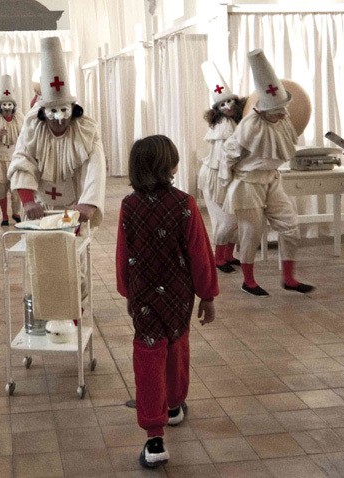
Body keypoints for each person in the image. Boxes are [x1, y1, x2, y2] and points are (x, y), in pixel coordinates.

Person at [116, 135, 219, 468]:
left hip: (144, 295)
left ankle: (154, 438)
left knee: (148, 356)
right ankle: (174, 406)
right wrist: (207, 294)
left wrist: (127, 291)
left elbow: (123, 253)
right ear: (170, 166)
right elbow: (200, 254)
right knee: (177, 345)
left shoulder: (129, 205)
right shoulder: (185, 204)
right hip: (178, 294)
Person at [222, 49, 314, 297]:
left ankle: (289, 278)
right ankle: (248, 281)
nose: (284, 113)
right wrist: (227, 183)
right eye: (277, 109)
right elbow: (229, 155)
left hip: (272, 180)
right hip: (248, 183)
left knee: (290, 225)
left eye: (284, 108)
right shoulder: (249, 126)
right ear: (262, 108)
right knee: (251, 233)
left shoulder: (283, 120)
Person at [8, 37, 106, 227]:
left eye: (64, 110)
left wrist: (88, 203)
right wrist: (27, 200)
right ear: (43, 112)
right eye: (52, 111)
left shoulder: (86, 131)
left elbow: (96, 167)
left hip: (75, 205)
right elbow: (22, 160)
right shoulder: (32, 129)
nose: (59, 119)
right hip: (40, 206)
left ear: (73, 110)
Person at [198, 61, 246, 274]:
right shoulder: (222, 127)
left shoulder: (234, 124)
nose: (227, 107)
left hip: (228, 175)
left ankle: (228, 254)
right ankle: (218, 257)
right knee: (225, 218)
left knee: (235, 217)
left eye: (230, 102)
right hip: (217, 176)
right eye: (222, 104)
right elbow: (223, 158)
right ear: (217, 109)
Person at [0, 75, 24, 226]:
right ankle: (4, 216)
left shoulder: (20, 119)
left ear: (13, 107)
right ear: (0, 107)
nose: (7, 109)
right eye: (4, 106)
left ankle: (16, 212)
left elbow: (27, 137)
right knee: (1, 189)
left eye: (9, 106)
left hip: (15, 158)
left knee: (16, 189)